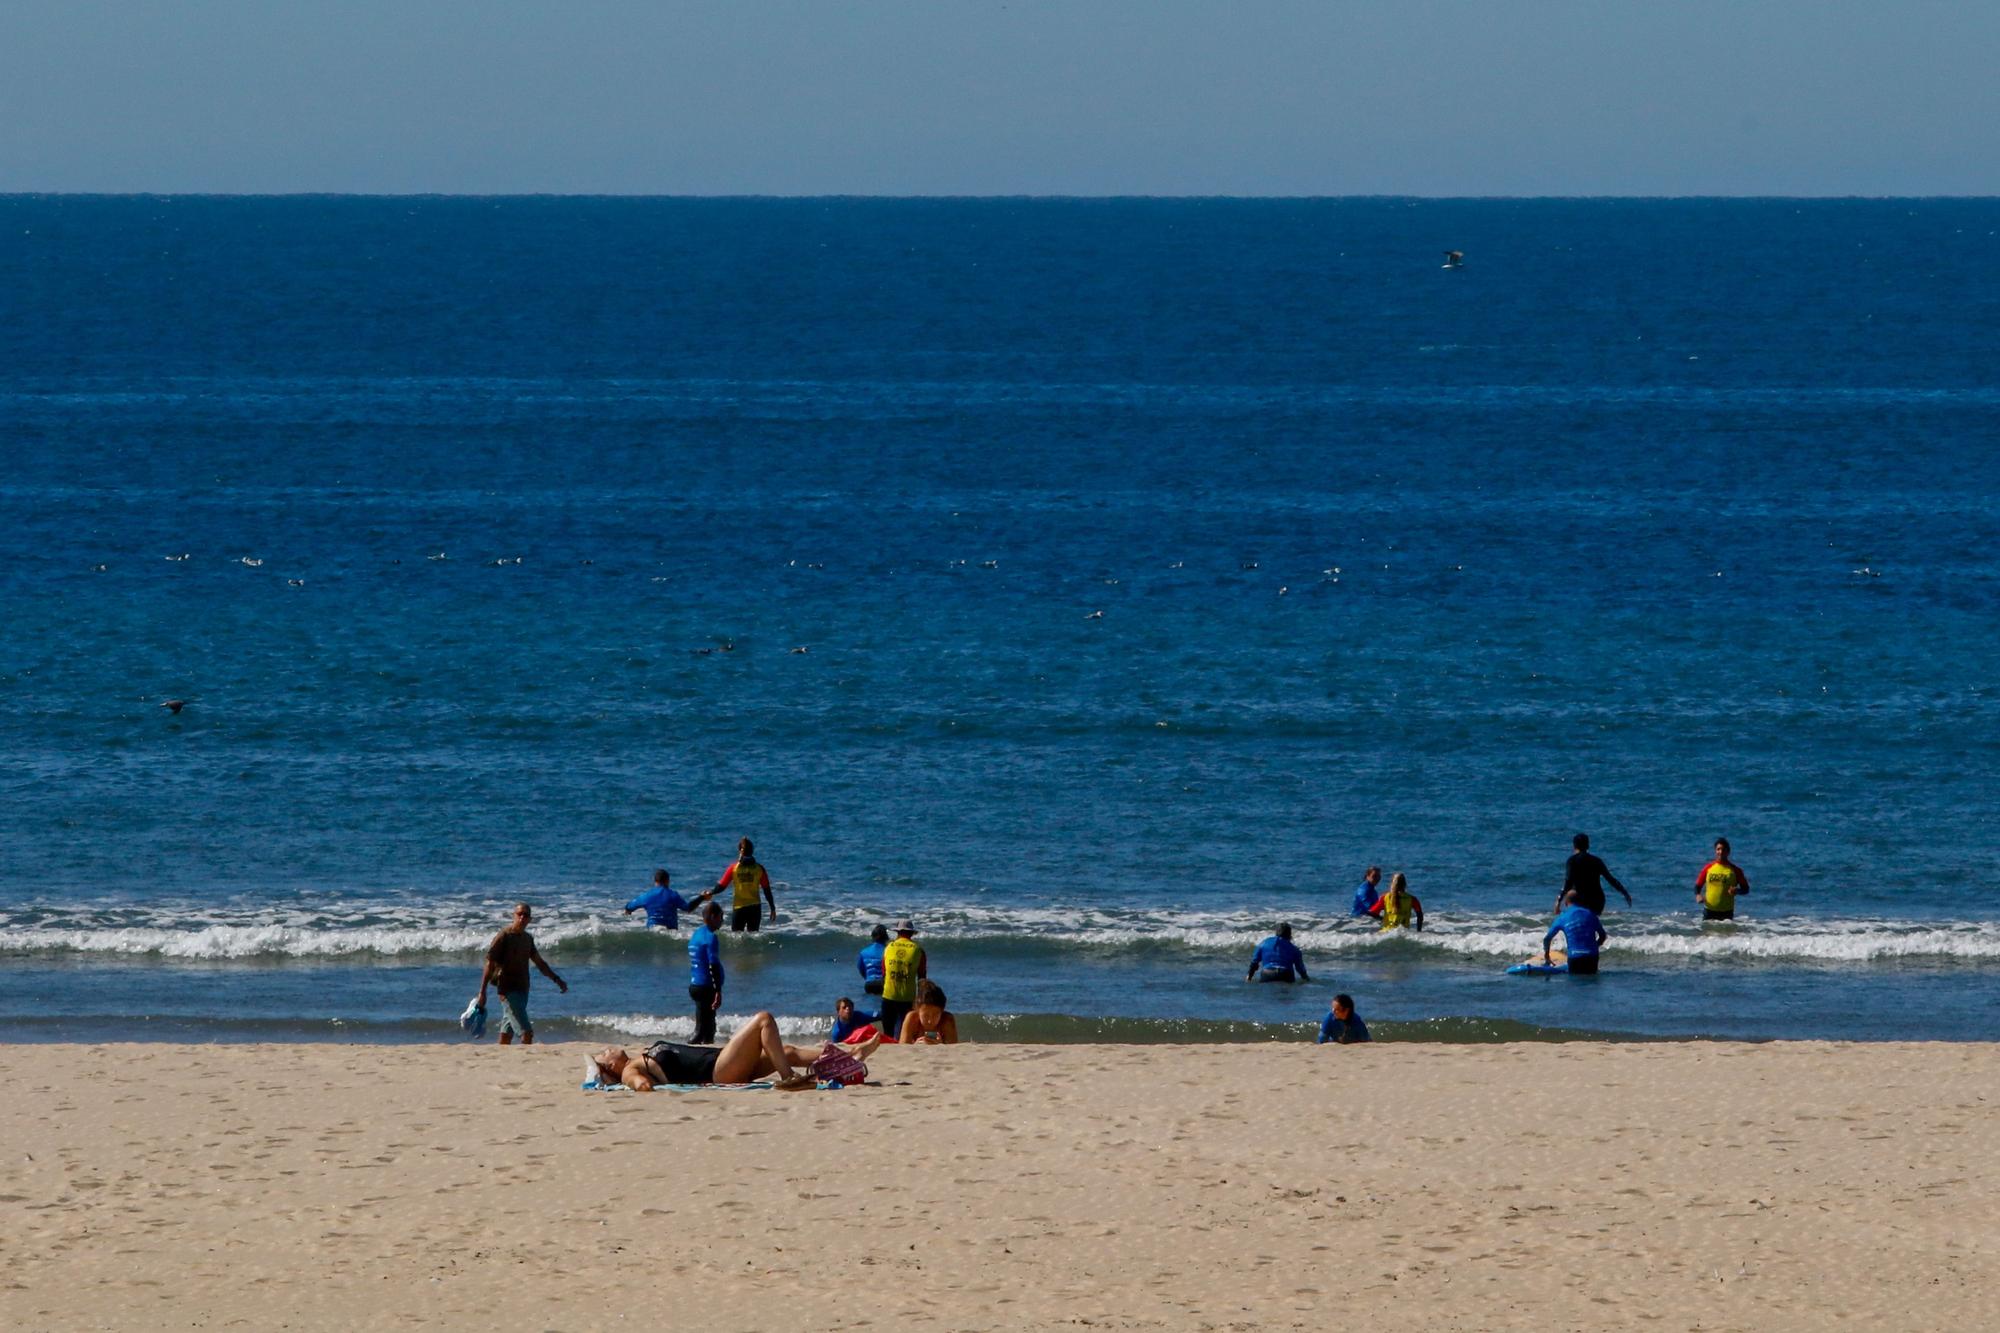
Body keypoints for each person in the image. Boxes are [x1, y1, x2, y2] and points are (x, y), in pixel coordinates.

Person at [592, 1013, 881, 1091]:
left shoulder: (637, 1057)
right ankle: (789, 1078)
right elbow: (640, 1086)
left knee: (786, 1049)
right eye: (603, 1055)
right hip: (717, 1071)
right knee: (764, 1020)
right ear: (611, 1068)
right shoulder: (630, 1068)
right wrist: (639, 1083)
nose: (607, 1050)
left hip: (722, 1065)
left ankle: (851, 1056)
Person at [472, 902, 568, 1046]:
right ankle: (527, 1061)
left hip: (523, 989)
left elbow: (540, 963)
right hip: (507, 991)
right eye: (519, 914)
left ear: (530, 919)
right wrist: (482, 992)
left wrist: (557, 979)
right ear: (514, 916)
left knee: (507, 1031)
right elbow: (489, 963)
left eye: (526, 915)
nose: (522, 917)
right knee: (526, 1032)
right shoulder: (503, 936)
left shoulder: (527, 939)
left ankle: (501, 1058)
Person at [714, 837, 778, 932]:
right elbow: (766, 890)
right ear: (752, 851)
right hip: (755, 908)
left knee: (736, 938)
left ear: (740, 851)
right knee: (753, 938)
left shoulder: (733, 869)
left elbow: (721, 886)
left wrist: (710, 892)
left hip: (739, 908)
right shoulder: (759, 869)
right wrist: (772, 908)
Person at [878, 919, 928, 1039]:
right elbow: (921, 978)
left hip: (888, 996)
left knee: (887, 1033)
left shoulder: (888, 948)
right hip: (907, 998)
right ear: (911, 933)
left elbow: (884, 973)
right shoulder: (918, 950)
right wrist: (921, 1000)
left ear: (898, 932)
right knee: (903, 1033)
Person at [1559, 833, 1631, 914]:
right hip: (1597, 901)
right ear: (1588, 846)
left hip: (1580, 900)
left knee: (1571, 897)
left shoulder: (1572, 861)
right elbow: (1610, 879)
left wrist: (1558, 901)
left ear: (1574, 846)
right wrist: (1625, 893)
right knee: (1592, 921)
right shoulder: (1596, 860)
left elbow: (1568, 882)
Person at [623, 868, 713, 929]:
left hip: (652, 931)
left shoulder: (646, 896)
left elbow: (629, 906)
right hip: (670, 931)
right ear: (668, 881)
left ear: (655, 881)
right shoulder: (672, 895)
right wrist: (701, 897)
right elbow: (688, 908)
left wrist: (628, 911)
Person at [687, 901, 725, 1044]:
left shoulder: (696, 934)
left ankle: (705, 1051)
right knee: (702, 1030)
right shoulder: (711, 937)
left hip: (695, 984)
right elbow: (712, 965)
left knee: (707, 1026)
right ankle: (687, 1053)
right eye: (721, 916)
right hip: (706, 987)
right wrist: (718, 991)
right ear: (713, 916)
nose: (722, 920)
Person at [1544, 899, 1608, 975]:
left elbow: (1547, 938)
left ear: (1566, 903)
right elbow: (1603, 936)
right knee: (1591, 981)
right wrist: (1595, 946)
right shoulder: (1591, 914)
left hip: (1575, 958)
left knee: (1574, 982)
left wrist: (1547, 955)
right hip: (1592, 958)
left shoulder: (1563, 916)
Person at [1695, 838, 1751, 921]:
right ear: (1715, 851)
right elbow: (1697, 886)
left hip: (1726, 913)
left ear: (1728, 852)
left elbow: (1746, 889)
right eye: (1718, 849)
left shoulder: (1735, 870)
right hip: (1709, 911)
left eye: (1723, 849)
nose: (1720, 852)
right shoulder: (1708, 868)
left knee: (1726, 934)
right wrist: (1698, 895)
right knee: (1707, 934)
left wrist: (1737, 891)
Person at [897, 979, 960, 1045]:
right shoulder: (912, 1019)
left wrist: (941, 1045)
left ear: (942, 1012)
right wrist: (915, 1046)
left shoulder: (947, 1020)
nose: (930, 1020)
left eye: (935, 1015)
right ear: (918, 1011)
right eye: (925, 1015)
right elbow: (902, 1046)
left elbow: (953, 1047)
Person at [857, 924, 889, 997]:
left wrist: (869, 978)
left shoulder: (864, 952)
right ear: (886, 937)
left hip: (869, 984)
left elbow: (861, 969)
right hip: (882, 984)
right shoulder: (888, 951)